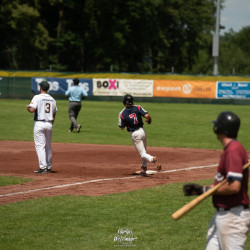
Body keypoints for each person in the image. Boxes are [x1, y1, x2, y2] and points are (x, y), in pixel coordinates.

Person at [183, 111, 250, 250]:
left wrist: (205, 190)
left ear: (221, 129)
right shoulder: (231, 149)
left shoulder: (233, 151)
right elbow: (225, 184)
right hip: (222, 214)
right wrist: (201, 189)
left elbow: (234, 187)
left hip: (233, 217)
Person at [118, 94, 160, 175]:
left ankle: (152, 159)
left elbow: (122, 127)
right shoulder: (138, 107)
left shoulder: (122, 113)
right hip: (142, 131)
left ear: (124, 102)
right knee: (144, 150)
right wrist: (149, 120)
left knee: (142, 154)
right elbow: (147, 116)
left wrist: (128, 123)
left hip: (135, 134)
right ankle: (144, 168)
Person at [26, 81, 58, 174]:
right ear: (48, 89)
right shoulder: (52, 99)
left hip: (39, 123)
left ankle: (43, 167)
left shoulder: (37, 97)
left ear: (40, 88)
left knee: (40, 146)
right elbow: (54, 112)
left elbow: (32, 110)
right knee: (48, 145)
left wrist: (27, 107)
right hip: (49, 123)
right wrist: (51, 123)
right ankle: (48, 167)